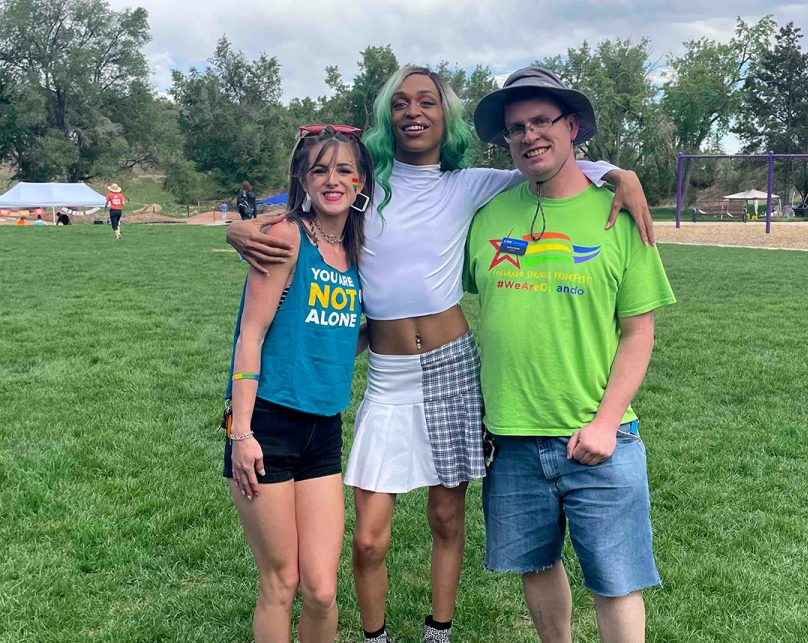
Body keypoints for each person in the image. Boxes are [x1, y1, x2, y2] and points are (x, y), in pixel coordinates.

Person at [227, 66, 656, 643]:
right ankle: (376, 635)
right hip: (388, 372)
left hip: (453, 367)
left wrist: (618, 173)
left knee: (446, 518)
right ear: (387, 117)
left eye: (426, 101)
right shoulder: (366, 188)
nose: (413, 111)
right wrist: (237, 226)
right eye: (400, 103)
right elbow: (310, 205)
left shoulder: (470, 183)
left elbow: (548, 167)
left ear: (444, 115)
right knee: (369, 536)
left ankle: (438, 631)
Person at [465, 66, 676, 643]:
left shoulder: (618, 217)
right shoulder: (489, 217)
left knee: (616, 582)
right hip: (509, 438)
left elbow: (639, 332)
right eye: (515, 128)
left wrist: (606, 423)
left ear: (573, 126)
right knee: (536, 565)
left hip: (600, 439)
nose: (529, 136)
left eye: (542, 121)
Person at [224, 124, 373, 643]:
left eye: (344, 170)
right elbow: (250, 333)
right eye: (320, 170)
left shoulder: (359, 253)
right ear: (303, 180)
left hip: (323, 429)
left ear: (361, 183)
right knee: (280, 583)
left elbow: (342, 337)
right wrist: (240, 433)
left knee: (322, 590)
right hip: (267, 425)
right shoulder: (288, 236)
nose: (332, 180)